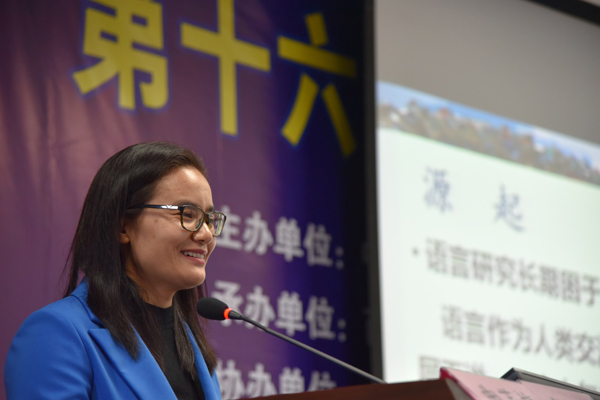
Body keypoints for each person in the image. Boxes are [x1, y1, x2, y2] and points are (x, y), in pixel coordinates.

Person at [5, 142, 226, 400]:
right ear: (122, 227)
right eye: (188, 215)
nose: (206, 234)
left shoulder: (192, 346)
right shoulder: (56, 334)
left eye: (209, 219)